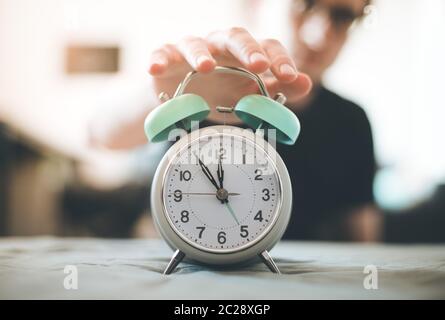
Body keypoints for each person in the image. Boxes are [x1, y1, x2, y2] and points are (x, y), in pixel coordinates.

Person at [92, 0, 376, 241]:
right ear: (255, 5)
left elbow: (362, 238)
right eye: (305, 4)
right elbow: (99, 135)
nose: (319, 36)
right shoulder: (201, 81)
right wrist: (164, 95)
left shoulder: (352, 122)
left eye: (343, 17)